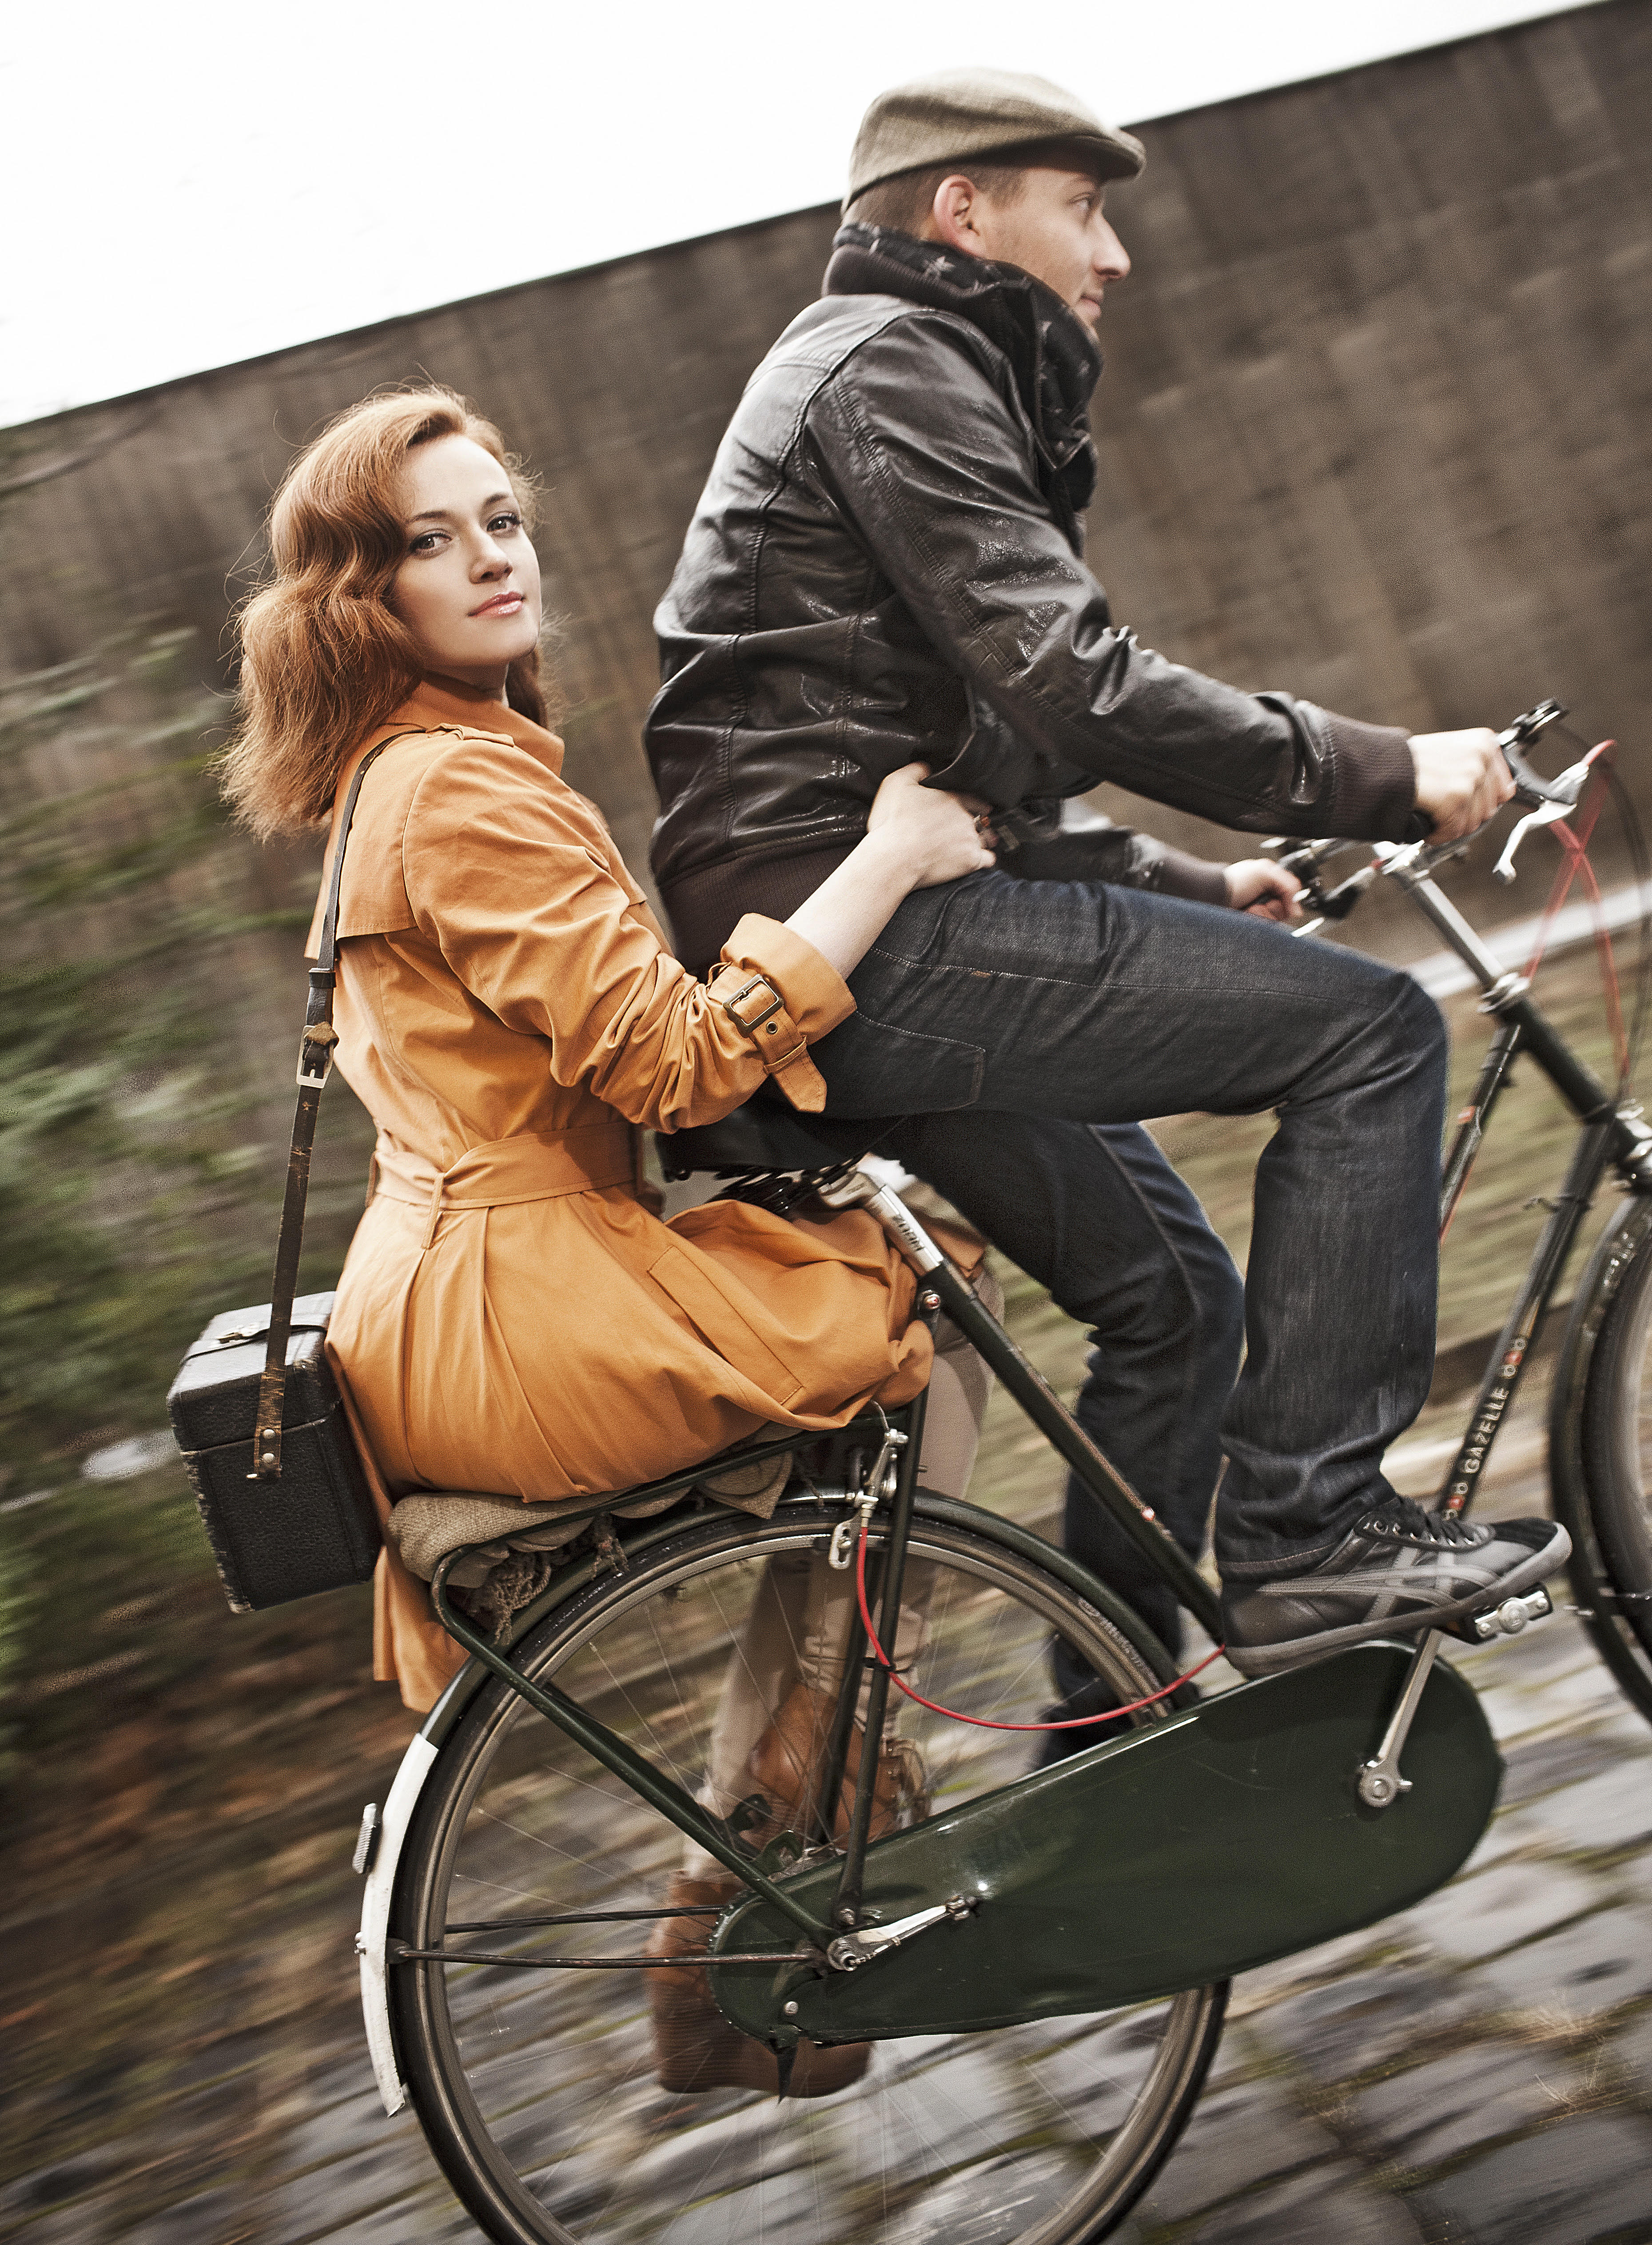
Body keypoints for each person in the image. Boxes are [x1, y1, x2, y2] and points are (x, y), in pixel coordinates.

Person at [644, 68, 1570, 1678]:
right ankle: (1313, 1535)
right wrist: (1383, 770)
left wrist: (1188, 886)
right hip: (861, 943)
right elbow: (1075, 678)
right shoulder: (892, 365)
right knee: (1372, 1037)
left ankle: (1117, 1722)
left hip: (853, 933)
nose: (1115, 252)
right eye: (1081, 207)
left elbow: (978, 751)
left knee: (1176, 1304)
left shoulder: (909, 365)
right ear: (963, 211)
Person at [219, 389, 1004, 2090]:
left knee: (861, 1358)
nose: (490, 557)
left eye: (501, 520)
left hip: (447, 1291)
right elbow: (674, 1060)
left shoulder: (401, 778)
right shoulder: (458, 793)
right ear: (366, 598)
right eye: (431, 541)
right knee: (925, 1293)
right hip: (521, 1309)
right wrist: (886, 859)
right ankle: (799, 1816)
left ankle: (776, 1822)